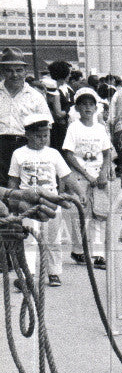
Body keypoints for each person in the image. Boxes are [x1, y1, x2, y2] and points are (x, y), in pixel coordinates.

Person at [7, 113, 75, 287]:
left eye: (45, 135)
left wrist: (78, 193)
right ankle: (27, 274)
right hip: (27, 203)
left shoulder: (53, 154)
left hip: (50, 202)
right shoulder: (18, 154)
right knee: (29, 239)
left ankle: (54, 272)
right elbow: (13, 181)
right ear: (27, 135)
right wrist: (13, 202)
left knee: (53, 239)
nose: (42, 139)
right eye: (38, 136)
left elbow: (66, 176)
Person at [62, 88, 112, 267]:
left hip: (98, 176)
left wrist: (103, 173)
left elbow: (106, 153)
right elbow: (69, 154)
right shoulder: (74, 128)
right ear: (77, 108)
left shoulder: (100, 128)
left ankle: (99, 254)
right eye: (84, 105)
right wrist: (85, 173)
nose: (88, 108)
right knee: (80, 214)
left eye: (91, 105)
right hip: (80, 176)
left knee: (99, 214)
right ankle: (79, 251)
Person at [0, 47, 53, 186]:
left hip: (25, 146)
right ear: (2, 71)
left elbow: (46, 129)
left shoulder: (36, 97)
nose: (14, 74)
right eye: (9, 70)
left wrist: (42, 157)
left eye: (18, 70)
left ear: (25, 71)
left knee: (25, 189)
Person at [47, 60, 73, 152]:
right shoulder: (55, 91)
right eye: (69, 73)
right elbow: (58, 113)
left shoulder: (49, 88)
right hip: (58, 129)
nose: (70, 76)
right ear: (64, 74)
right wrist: (69, 109)